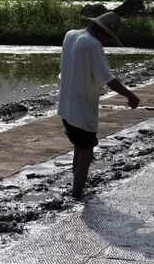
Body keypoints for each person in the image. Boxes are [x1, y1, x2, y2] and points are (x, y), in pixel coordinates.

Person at [58, 11, 140, 199]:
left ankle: (75, 185)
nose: (106, 41)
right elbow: (108, 79)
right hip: (82, 108)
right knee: (86, 153)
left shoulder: (71, 35)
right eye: (107, 37)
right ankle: (77, 193)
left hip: (66, 105)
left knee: (79, 147)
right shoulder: (92, 45)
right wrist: (130, 95)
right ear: (101, 31)